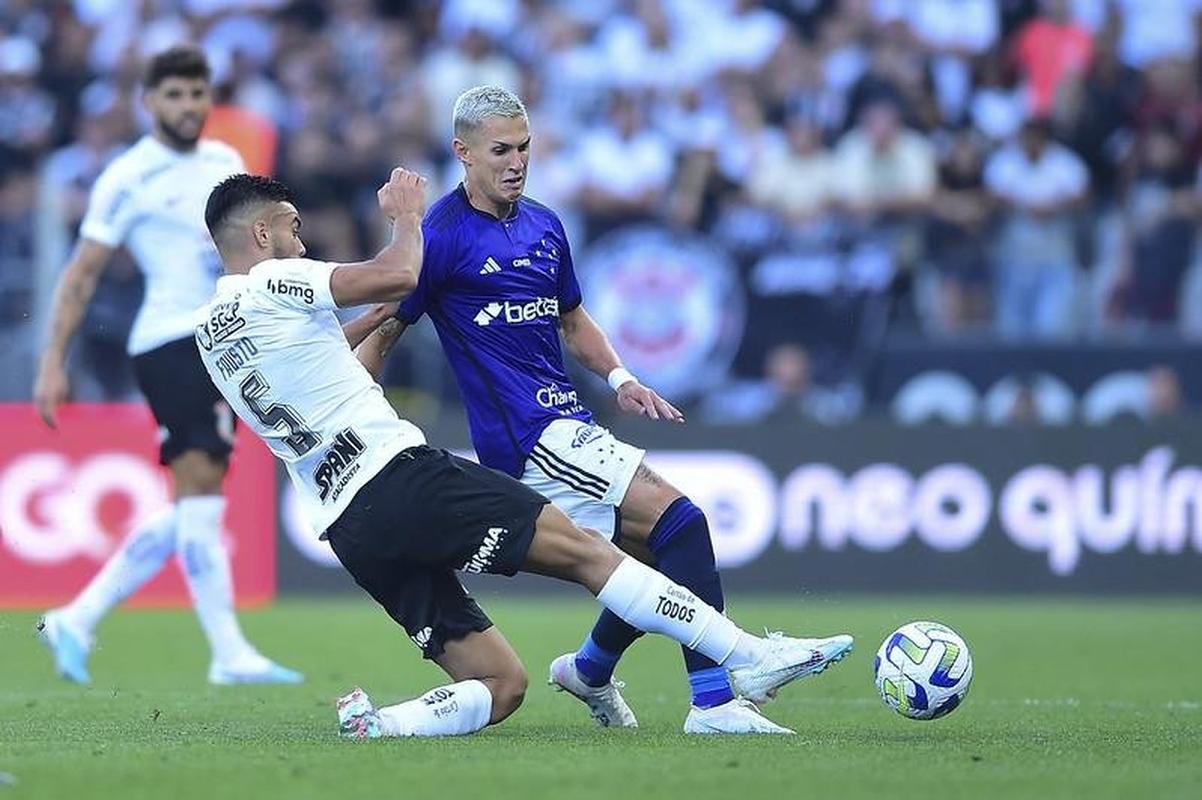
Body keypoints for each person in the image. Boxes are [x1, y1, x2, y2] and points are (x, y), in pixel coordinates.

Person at [198, 167, 851, 739]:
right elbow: (396, 272)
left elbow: (320, 361)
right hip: (400, 478)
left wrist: (382, 317)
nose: (301, 243)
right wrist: (406, 217)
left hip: (349, 527)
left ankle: (381, 724)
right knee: (592, 553)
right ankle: (744, 657)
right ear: (262, 234)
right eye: (293, 229)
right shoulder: (274, 281)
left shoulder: (210, 332)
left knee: (501, 684)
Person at [353, 85, 852, 734]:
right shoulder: (441, 236)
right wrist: (362, 434)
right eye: (500, 150)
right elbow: (383, 331)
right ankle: (715, 700)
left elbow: (572, 319)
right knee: (682, 521)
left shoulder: (545, 225)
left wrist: (620, 376)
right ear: (463, 152)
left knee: (653, 557)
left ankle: (589, 670)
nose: (517, 162)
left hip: (568, 421)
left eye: (524, 148)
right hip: (528, 435)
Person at [31, 45, 301, 686]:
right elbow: (82, 274)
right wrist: (52, 361)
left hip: (224, 338)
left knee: (195, 501)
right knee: (201, 490)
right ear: (148, 102)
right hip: (169, 340)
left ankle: (77, 617)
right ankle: (229, 653)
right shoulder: (128, 176)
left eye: (196, 93)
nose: (187, 106)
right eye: (174, 95)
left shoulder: (225, 162)